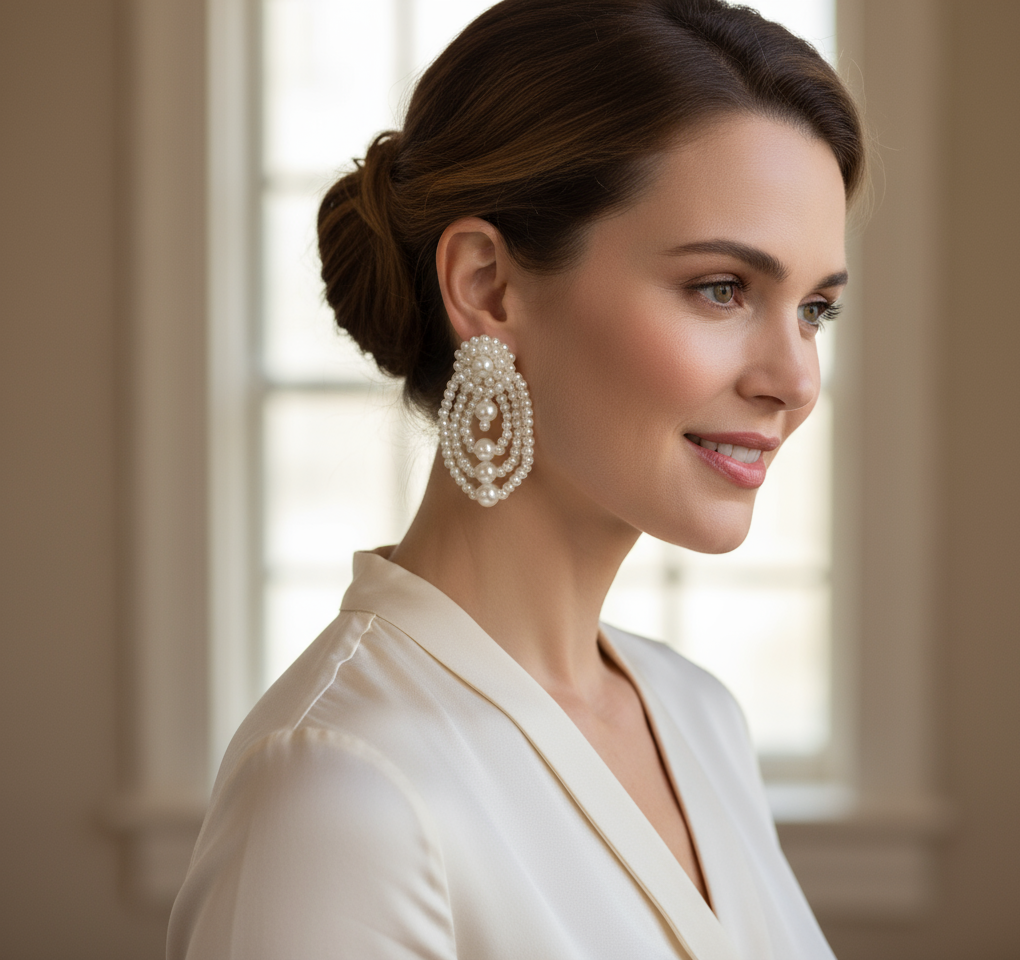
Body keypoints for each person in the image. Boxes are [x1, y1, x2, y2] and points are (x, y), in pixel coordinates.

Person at [167, 1, 866, 957]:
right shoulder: (341, 789)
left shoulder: (698, 716)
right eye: (722, 289)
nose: (794, 381)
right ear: (488, 286)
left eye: (815, 309)